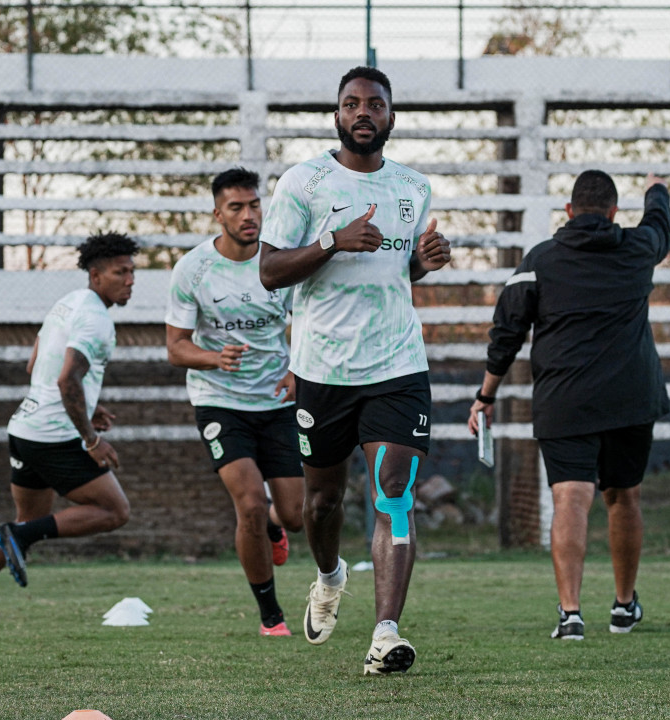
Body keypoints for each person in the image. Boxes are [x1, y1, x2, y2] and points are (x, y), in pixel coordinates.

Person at [259, 66, 451, 675]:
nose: (363, 112)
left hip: (397, 364)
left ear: (391, 117)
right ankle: (328, 574)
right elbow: (268, 272)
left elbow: (402, 271)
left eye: (374, 104)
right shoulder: (304, 182)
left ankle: (386, 634)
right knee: (321, 503)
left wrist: (424, 261)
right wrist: (331, 243)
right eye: (351, 104)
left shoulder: (414, 188)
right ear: (336, 115)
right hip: (322, 368)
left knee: (394, 495)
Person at [468, 170, 670, 640]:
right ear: (615, 212)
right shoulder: (639, 249)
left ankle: (571, 614)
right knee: (623, 497)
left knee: (571, 498)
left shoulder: (541, 260)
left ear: (569, 211)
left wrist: (486, 395)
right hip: (631, 397)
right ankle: (623, 606)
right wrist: (656, 190)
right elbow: (660, 226)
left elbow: (507, 332)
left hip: (566, 400)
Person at [0, 233, 137, 618]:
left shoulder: (68, 303)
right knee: (114, 511)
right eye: (120, 272)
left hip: (25, 429)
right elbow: (66, 381)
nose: (130, 280)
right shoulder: (97, 319)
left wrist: (88, 405)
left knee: (28, 520)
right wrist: (92, 438)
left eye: (132, 272)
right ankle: (19, 537)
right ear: (96, 275)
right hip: (53, 436)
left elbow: (36, 366)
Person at [165, 167, 304, 637]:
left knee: (296, 515)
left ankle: (274, 525)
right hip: (219, 401)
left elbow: (307, 321)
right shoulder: (194, 269)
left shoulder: (281, 262)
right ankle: (271, 616)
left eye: (254, 205)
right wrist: (211, 357)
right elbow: (175, 347)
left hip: (277, 401)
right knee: (247, 502)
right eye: (236, 207)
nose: (249, 216)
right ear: (217, 213)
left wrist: (295, 370)